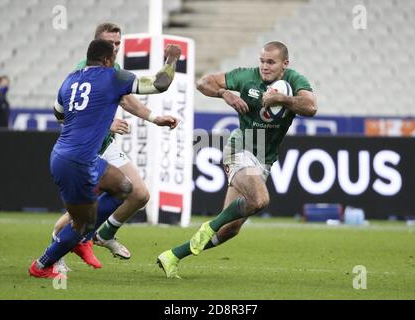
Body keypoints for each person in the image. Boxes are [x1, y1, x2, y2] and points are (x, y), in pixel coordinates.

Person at [157, 41, 317, 279]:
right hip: (240, 148)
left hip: (264, 158)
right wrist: (225, 94)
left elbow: (311, 106)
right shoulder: (246, 77)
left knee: (230, 229)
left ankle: (172, 256)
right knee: (260, 199)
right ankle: (207, 227)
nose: (264, 66)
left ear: (285, 64)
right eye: (262, 61)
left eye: (270, 62)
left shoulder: (294, 80)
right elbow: (203, 82)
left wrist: (282, 100)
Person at [29, 39, 180, 279]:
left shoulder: (70, 80)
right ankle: (42, 265)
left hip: (67, 154)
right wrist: (171, 58)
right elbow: (160, 84)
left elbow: (59, 113)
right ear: (109, 60)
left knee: (124, 187)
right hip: (77, 162)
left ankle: (86, 236)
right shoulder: (113, 77)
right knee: (78, 223)